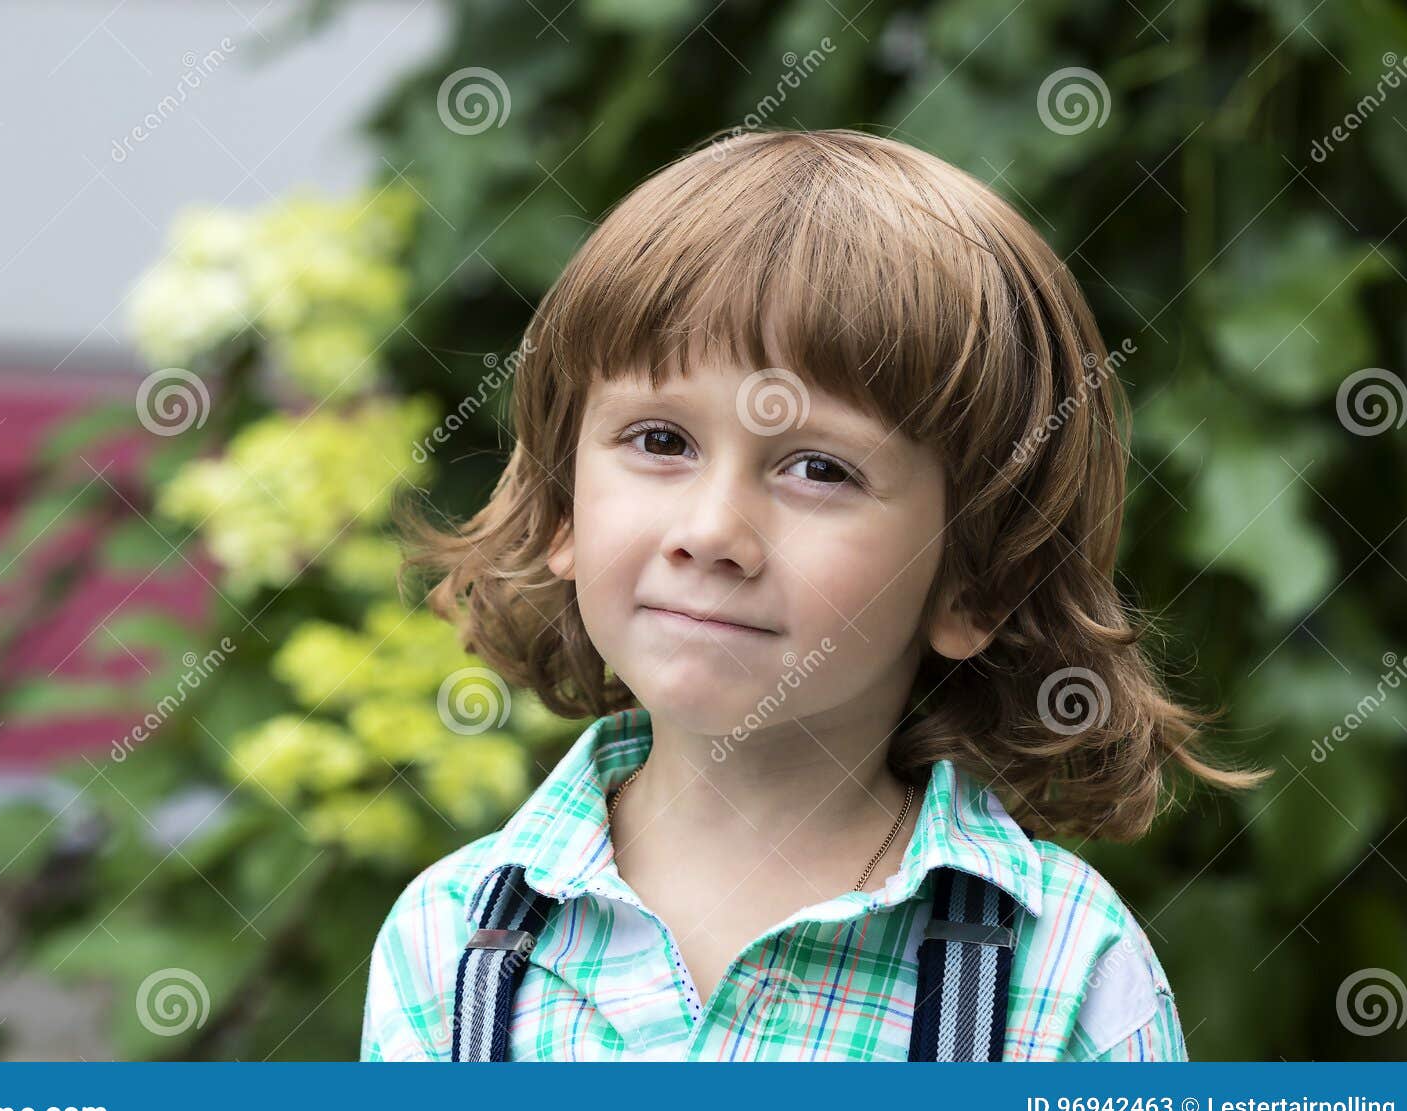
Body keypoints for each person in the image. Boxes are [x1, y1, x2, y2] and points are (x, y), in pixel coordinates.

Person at [361, 128, 1268, 1061]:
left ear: (976, 583)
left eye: (820, 468)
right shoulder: (450, 948)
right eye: (661, 442)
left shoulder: (1063, 973)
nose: (712, 533)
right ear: (562, 510)